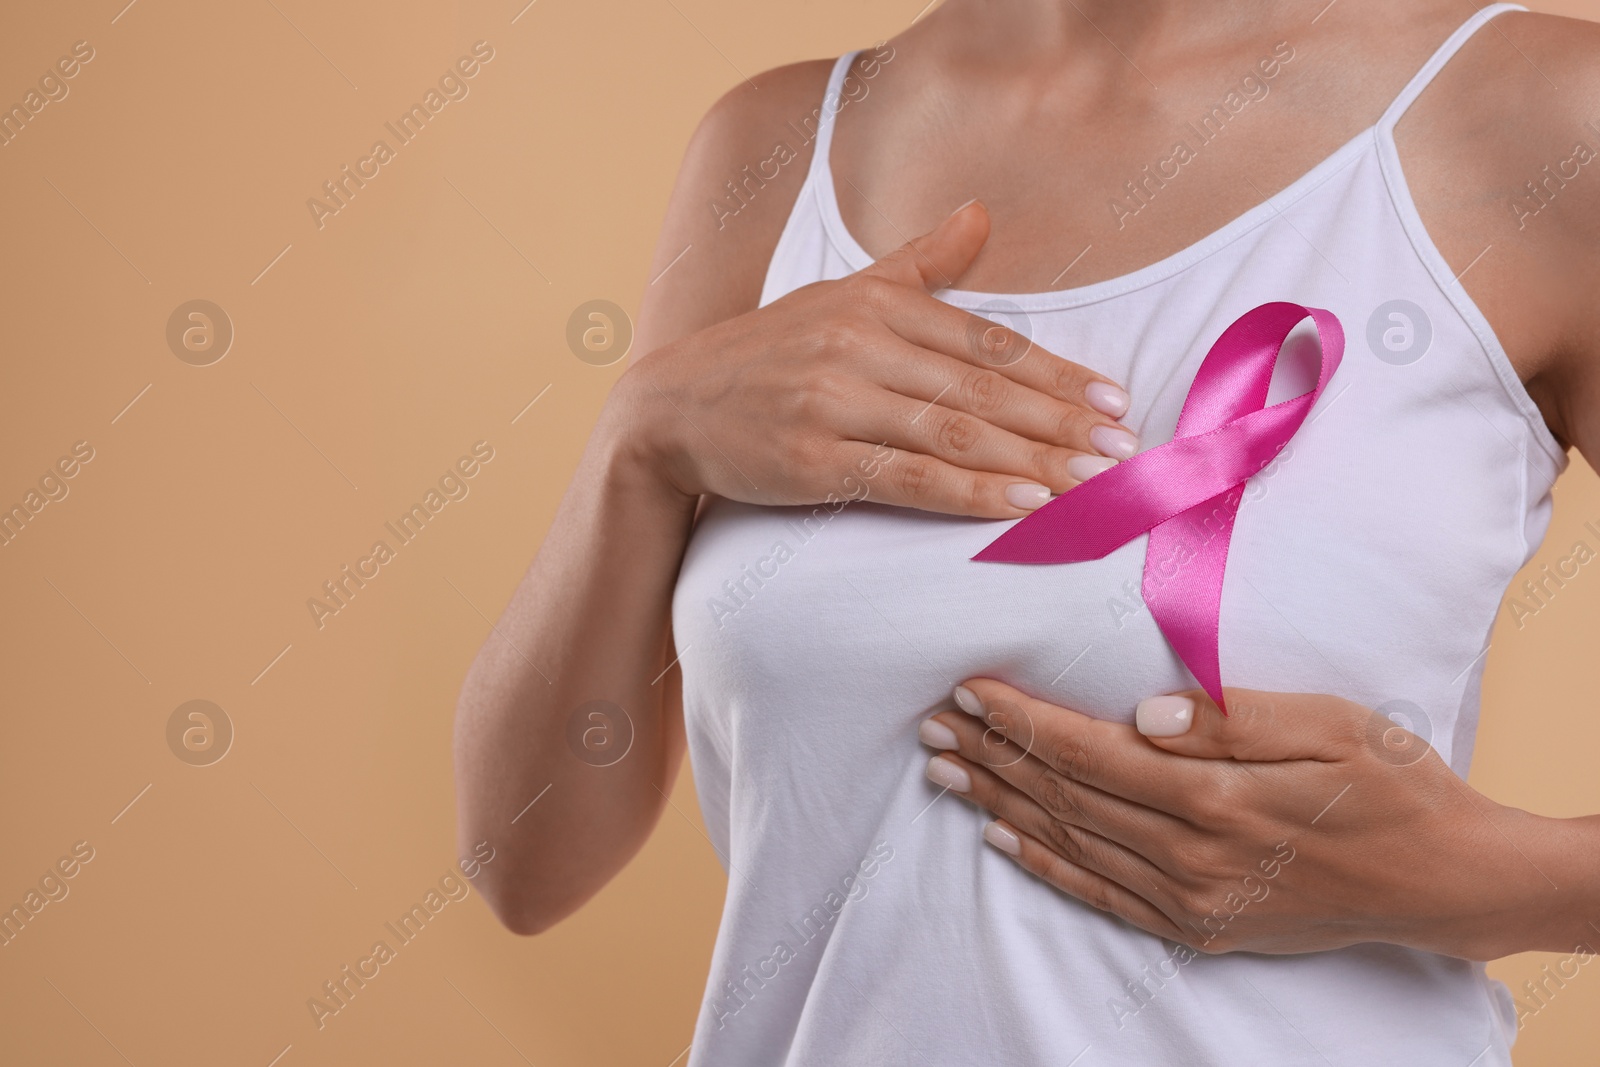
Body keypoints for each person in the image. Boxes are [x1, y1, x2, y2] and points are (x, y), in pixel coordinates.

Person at [453, 2, 1600, 1062]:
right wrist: (640, 441)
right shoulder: (774, 149)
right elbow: (525, 864)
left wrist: (1467, 877)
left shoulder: (1537, 120)